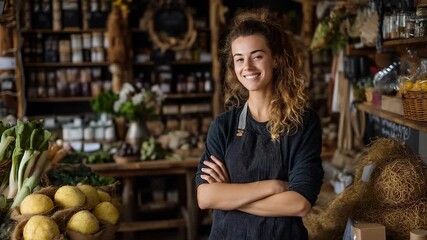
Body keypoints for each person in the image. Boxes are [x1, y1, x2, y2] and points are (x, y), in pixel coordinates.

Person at [194, 8, 324, 240]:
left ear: (276, 59)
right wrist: (274, 186)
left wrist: (229, 196)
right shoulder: (223, 126)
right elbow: (205, 198)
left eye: (257, 56)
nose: (248, 67)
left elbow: (299, 203)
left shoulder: (302, 124)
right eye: (239, 59)